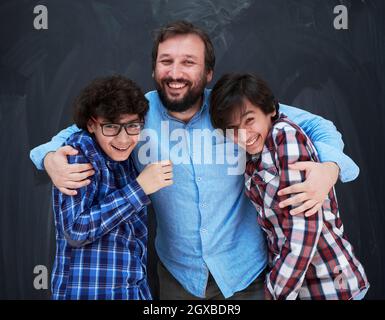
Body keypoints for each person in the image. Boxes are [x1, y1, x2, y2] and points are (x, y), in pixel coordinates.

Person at [30, 21, 360, 300]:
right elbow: (64, 139)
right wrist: (48, 158)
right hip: (177, 279)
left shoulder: (234, 110)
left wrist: (330, 169)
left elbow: (320, 127)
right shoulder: (133, 115)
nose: (175, 73)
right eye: (166, 61)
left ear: (207, 72)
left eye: (188, 62)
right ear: (154, 67)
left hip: (248, 275)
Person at [209, 73, 369, 300]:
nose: (243, 135)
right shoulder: (254, 156)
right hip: (300, 285)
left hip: (331, 284)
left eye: (249, 120)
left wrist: (275, 292)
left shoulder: (285, 136)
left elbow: (304, 231)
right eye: (234, 129)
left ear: (270, 110)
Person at [50, 75, 173, 300]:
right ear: (91, 124)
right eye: (111, 127)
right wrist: (139, 188)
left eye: (133, 126)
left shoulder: (125, 161)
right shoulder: (79, 154)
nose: (124, 139)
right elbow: (76, 230)